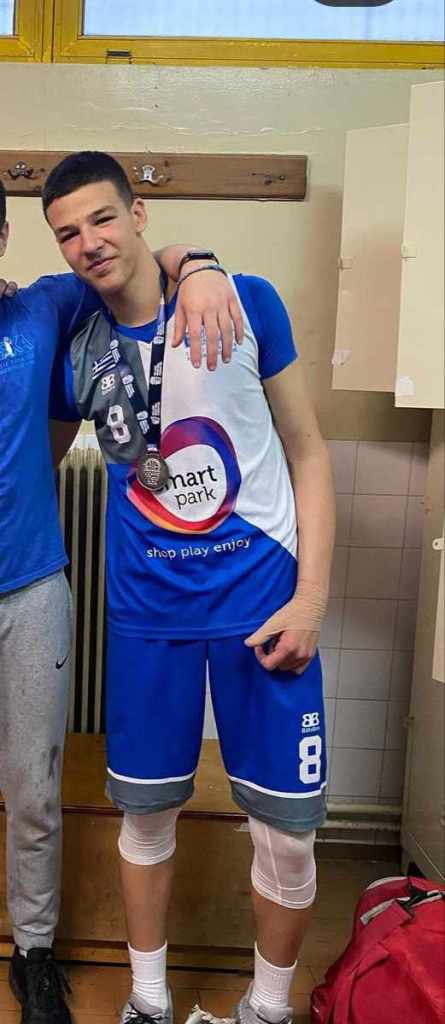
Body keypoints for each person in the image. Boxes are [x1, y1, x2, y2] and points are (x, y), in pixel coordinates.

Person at [44, 151, 336, 1024]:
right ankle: (145, 999)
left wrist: (311, 599)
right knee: (144, 818)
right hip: (147, 618)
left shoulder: (244, 300)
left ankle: (267, 1010)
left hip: (263, 607)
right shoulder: (77, 346)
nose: (89, 242)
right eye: (68, 232)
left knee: (286, 833)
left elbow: (308, 454)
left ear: (138, 214)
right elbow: (37, 469)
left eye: (102, 218)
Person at [0, 174, 243, 1024]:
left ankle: (34, 952)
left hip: (30, 587)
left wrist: (201, 264)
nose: (86, 238)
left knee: (33, 792)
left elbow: (129, 257)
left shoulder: (40, 309)